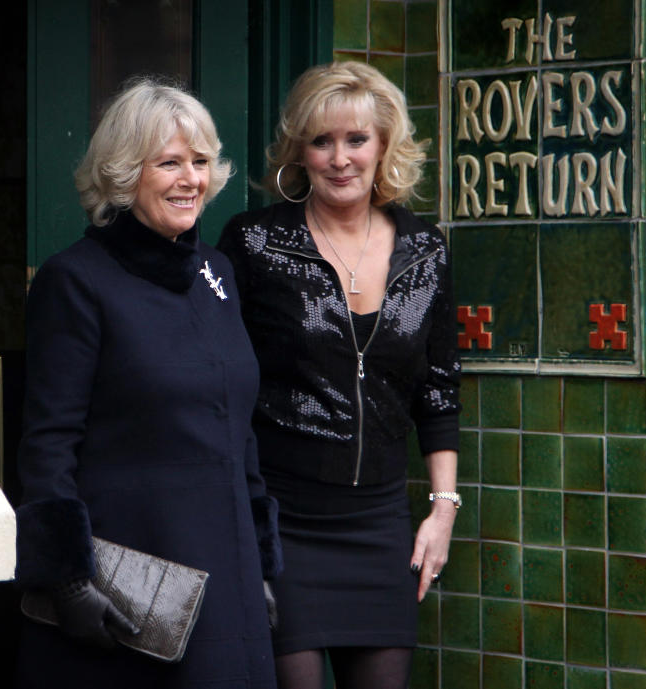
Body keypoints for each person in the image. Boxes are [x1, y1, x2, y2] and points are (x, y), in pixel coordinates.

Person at [13, 77, 282, 689]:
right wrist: (67, 580)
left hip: (227, 572)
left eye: (200, 162)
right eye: (169, 163)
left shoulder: (217, 273)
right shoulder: (74, 280)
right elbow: (49, 442)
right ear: (123, 172)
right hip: (132, 591)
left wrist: (261, 567)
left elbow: (239, 431)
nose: (191, 179)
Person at [216, 61, 461, 689]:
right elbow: (221, 379)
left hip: (378, 523)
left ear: (383, 146)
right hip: (280, 519)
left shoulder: (425, 251)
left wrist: (442, 509)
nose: (339, 158)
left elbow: (437, 388)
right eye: (321, 141)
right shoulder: (256, 243)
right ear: (299, 150)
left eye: (356, 140)